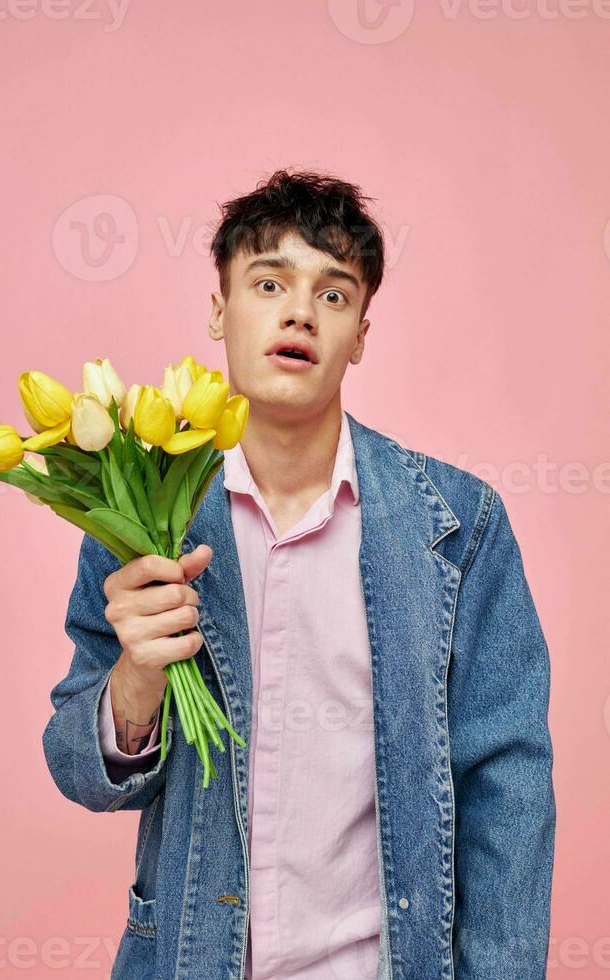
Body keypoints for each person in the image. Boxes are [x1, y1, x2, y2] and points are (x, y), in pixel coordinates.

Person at [43, 170, 556, 980]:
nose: (298, 312)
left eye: (333, 294)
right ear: (219, 311)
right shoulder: (139, 515)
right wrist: (136, 679)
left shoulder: (459, 526)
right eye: (269, 282)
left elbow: (508, 782)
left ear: (359, 335)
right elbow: (82, 774)